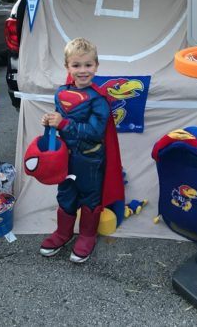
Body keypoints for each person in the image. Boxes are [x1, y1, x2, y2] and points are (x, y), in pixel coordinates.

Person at [40, 37, 124, 263]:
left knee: (90, 196)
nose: (83, 70)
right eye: (76, 65)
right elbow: (60, 120)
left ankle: (87, 235)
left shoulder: (98, 101)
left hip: (90, 159)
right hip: (65, 158)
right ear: (67, 67)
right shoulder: (61, 93)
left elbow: (95, 132)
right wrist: (50, 120)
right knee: (66, 194)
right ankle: (63, 233)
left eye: (88, 65)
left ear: (96, 66)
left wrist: (64, 124)